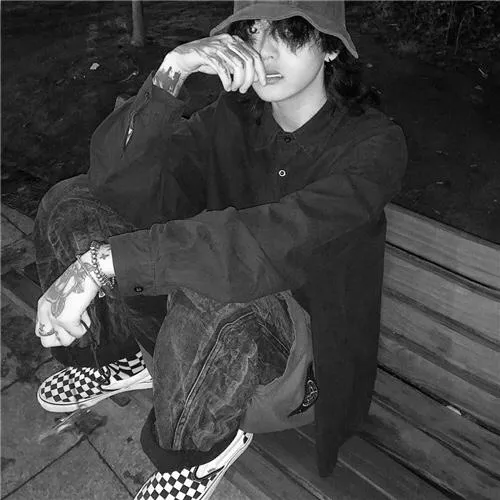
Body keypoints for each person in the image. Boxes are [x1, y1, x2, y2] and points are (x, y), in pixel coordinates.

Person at [34, 1, 407, 498]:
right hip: (198, 327)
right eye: (252, 30)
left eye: (290, 32)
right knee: (74, 203)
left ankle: (196, 453)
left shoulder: (374, 147)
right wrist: (171, 73)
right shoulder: (232, 117)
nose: (264, 50)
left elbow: (266, 244)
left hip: (298, 364)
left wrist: (104, 265)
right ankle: (119, 358)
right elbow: (117, 183)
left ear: (332, 48)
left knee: (218, 284)